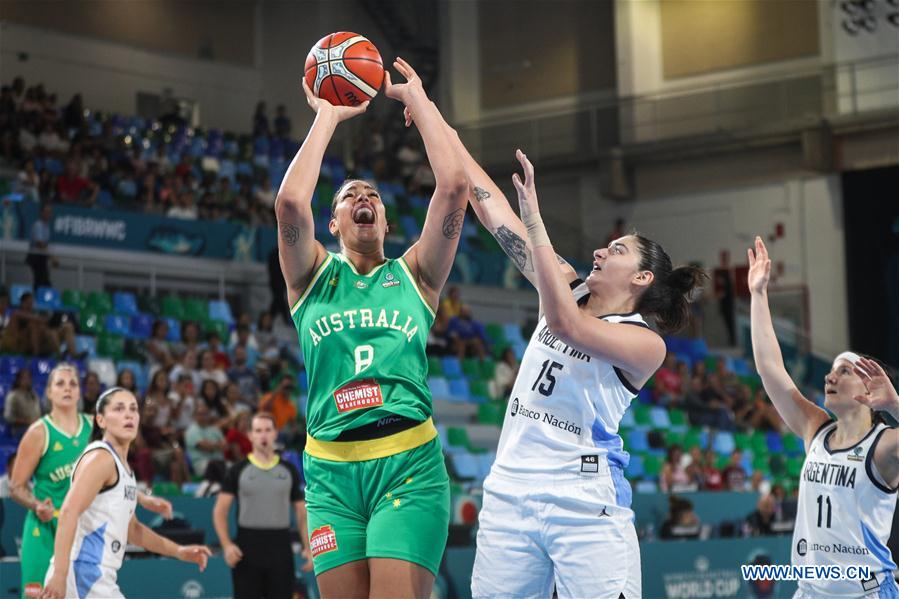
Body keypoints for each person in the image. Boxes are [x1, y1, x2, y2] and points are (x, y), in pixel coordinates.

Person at [459, 147, 705, 598]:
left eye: (616, 250)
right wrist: (427, 109)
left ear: (643, 278)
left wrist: (535, 221)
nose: (599, 250)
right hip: (511, 490)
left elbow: (565, 325)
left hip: (584, 498)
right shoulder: (564, 287)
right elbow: (486, 204)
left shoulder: (645, 344)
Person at [278, 57, 466, 597]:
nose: (364, 199)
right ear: (332, 223)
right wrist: (327, 118)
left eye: (374, 198)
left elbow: (452, 187)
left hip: (407, 465)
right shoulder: (311, 277)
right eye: (349, 197)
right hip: (329, 473)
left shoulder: (416, 275)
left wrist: (419, 103)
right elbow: (290, 202)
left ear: (386, 222)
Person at [748, 236, 899, 598]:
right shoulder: (814, 428)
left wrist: (895, 406)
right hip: (811, 590)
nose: (830, 377)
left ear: (869, 387)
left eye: (843, 372)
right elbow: (770, 369)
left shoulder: (883, 446)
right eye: (831, 371)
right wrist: (758, 295)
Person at [10, 365, 171, 598]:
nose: (67, 389)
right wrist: (36, 505)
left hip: (81, 529)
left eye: (73, 383)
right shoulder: (38, 432)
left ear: (79, 392)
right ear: (48, 392)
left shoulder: (95, 427)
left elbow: (110, 478)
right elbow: (16, 486)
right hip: (46, 527)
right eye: (60, 383)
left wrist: (141, 497)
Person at [40, 388, 210, 599]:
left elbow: (134, 530)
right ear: (100, 420)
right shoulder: (101, 458)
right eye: (119, 409)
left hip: (96, 575)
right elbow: (68, 512)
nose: (129, 414)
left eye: (133, 409)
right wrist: (60, 574)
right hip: (81, 572)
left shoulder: (124, 469)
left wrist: (179, 551)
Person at [213, 412, 312, 599]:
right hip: (247, 549)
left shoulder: (289, 470)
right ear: (250, 435)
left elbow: (301, 512)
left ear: (275, 433)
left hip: (281, 548)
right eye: (258, 430)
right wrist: (226, 545)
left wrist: (307, 546)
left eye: (268, 430)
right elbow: (220, 511)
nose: (263, 435)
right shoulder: (237, 470)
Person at [3, 369, 42, 437]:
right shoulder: (13, 396)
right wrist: (27, 422)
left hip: (35, 426)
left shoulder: (33, 394)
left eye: (29, 378)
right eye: (24, 378)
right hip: (20, 429)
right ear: (18, 380)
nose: (27, 381)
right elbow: (8, 417)